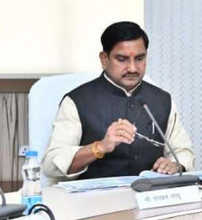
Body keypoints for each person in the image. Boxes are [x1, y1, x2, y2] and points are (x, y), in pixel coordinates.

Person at [42, 21, 194, 180]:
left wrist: (175, 164)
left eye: (140, 58)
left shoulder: (162, 100)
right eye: (122, 59)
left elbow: (183, 151)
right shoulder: (77, 100)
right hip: (95, 195)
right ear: (104, 59)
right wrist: (100, 147)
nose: (132, 68)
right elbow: (51, 164)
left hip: (150, 193)